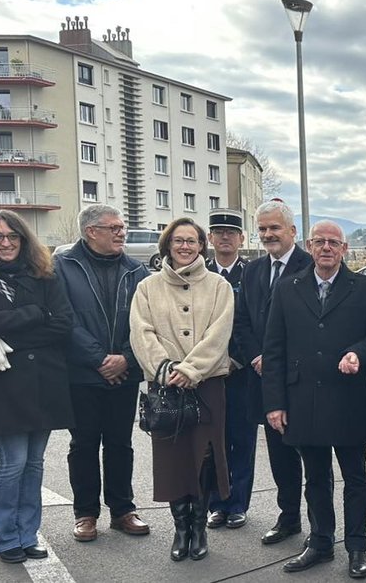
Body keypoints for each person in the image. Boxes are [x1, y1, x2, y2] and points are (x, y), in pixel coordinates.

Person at [262, 220, 366, 579]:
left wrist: (358, 354)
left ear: (345, 250)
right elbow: (274, 350)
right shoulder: (288, 289)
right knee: (315, 477)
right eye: (320, 242)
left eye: (334, 242)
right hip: (302, 399)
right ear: (309, 245)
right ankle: (319, 542)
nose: (326, 248)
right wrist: (275, 402)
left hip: (347, 399)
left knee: (354, 477)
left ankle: (356, 547)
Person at [0, 210, 74, 564]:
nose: (5, 243)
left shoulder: (44, 274)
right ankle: (4, 538)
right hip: (1, 383)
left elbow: (62, 324)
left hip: (44, 380)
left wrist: (4, 332)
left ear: (23, 240)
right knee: (12, 462)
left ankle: (27, 534)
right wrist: (33, 314)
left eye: (12, 236)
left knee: (34, 463)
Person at [130, 217, 235, 561]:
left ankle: (200, 526)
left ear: (202, 245)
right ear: (168, 246)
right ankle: (181, 528)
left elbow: (219, 334)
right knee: (173, 457)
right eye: (179, 241)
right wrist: (165, 369)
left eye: (192, 241)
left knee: (204, 457)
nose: (185, 247)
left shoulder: (219, 286)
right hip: (165, 387)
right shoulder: (148, 287)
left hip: (207, 384)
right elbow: (141, 332)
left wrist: (191, 369)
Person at [54, 205, 151, 543]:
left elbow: (143, 322)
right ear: (91, 231)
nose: (121, 233)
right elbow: (63, 319)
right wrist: (99, 360)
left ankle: (123, 510)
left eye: (122, 227)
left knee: (120, 444)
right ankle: (85, 514)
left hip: (124, 375)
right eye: (114, 228)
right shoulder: (62, 267)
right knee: (83, 444)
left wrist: (124, 358)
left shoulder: (136, 271)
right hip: (81, 374)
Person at [232, 200, 312, 545]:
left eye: (274, 228)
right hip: (263, 378)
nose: (268, 235)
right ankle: (288, 518)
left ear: (292, 231)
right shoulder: (251, 270)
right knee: (279, 455)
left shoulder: (311, 266)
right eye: (262, 229)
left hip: (301, 379)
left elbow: (316, 325)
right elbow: (242, 321)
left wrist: (279, 359)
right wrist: (257, 357)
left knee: (312, 457)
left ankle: (320, 527)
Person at [203, 209, 254, 531]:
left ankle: (237, 503)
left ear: (241, 239)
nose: (224, 237)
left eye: (231, 232)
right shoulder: (200, 273)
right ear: (210, 238)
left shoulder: (251, 275)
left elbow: (253, 322)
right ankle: (216, 504)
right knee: (211, 442)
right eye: (218, 232)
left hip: (241, 371)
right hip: (207, 372)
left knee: (242, 439)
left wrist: (238, 358)